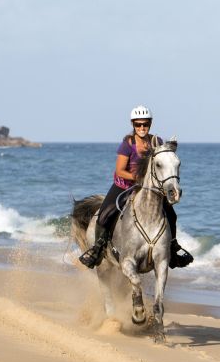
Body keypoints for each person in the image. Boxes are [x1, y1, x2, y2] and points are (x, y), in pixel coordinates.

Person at [79, 105, 194, 269]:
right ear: (133, 125)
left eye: (145, 124)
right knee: (104, 214)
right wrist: (138, 178)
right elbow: (119, 170)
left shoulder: (157, 142)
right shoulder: (127, 144)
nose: (142, 128)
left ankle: (173, 249)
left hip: (150, 189)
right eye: (138, 124)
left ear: (150, 124)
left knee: (171, 215)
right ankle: (98, 249)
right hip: (124, 186)